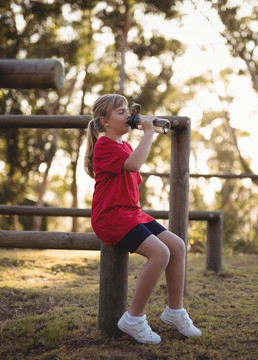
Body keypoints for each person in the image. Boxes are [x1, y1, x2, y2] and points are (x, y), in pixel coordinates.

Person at [84, 94, 202, 345]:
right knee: (160, 253)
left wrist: (145, 135)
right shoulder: (104, 145)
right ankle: (134, 318)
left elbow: (132, 170)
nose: (128, 115)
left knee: (178, 246)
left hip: (131, 212)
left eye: (128, 110)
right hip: (112, 216)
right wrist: (148, 133)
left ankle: (175, 311)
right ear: (104, 121)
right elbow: (134, 166)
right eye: (121, 112)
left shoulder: (125, 146)